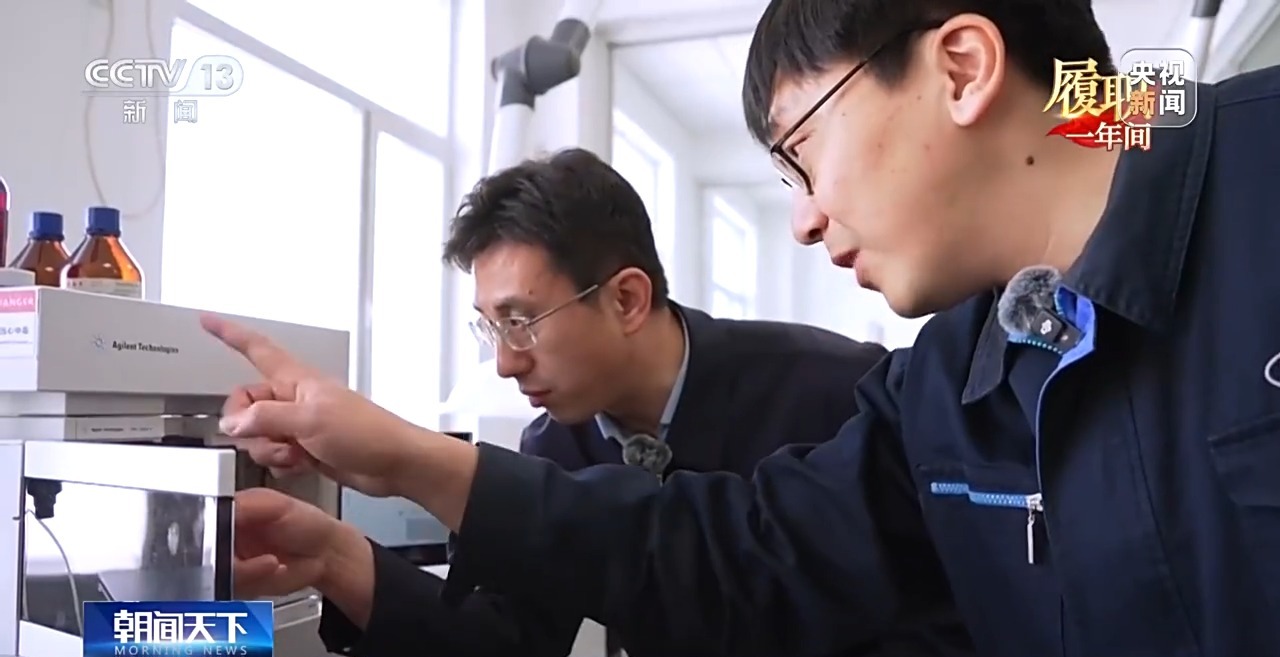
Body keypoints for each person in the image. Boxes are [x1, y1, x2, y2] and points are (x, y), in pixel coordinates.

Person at [213, 0, 1280, 654]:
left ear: (959, 67)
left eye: (802, 153)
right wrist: (391, 477)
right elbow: (728, 561)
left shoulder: (1257, 175)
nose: (806, 220)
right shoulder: (942, 390)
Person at [222, 148, 953, 657]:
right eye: (490, 327)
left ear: (627, 298)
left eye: (521, 321)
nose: (505, 362)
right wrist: (332, 556)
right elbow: (502, 641)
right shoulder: (553, 446)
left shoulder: (838, 391)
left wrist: (411, 459)